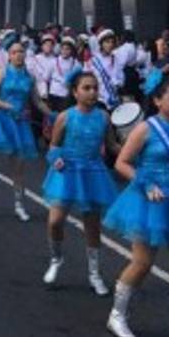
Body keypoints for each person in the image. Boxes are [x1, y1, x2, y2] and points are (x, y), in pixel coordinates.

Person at [104, 74, 169, 337]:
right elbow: (122, 163)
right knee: (143, 262)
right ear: (157, 100)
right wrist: (147, 184)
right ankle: (117, 315)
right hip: (147, 200)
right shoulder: (145, 129)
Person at [41, 71, 119, 295]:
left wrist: (131, 152)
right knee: (55, 221)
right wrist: (56, 160)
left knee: (92, 226)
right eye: (86, 88)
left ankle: (94, 273)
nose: (92, 92)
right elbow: (53, 146)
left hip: (93, 172)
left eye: (95, 87)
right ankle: (56, 259)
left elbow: (111, 145)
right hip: (67, 171)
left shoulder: (103, 117)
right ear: (75, 92)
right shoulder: (66, 116)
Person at [0, 39, 51, 221]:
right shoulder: (2, 72)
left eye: (21, 51)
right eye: (14, 52)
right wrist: (8, 106)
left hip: (18, 123)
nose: (18, 55)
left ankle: (19, 205)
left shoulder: (29, 77)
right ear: (9, 55)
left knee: (18, 169)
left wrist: (52, 115)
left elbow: (37, 101)